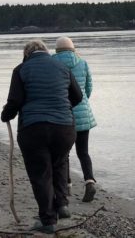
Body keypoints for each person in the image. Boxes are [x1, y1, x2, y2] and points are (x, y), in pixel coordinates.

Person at [1, 40, 82, 234]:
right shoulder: (62, 67)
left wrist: (6, 114)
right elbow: (78, 96)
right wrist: (61, 107)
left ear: (26, 54)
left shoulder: (21, 69)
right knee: (60, 163)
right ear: (45, 51)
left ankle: (48, 220)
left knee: (41, 173)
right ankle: (62, 205)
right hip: (64, 128)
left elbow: (16, 100)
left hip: (33, 129)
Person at [52, 36, 98, 203]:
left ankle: (67, 186)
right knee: (83, 152)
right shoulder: (82, 62)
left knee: (63, 153)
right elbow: (88, 87)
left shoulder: (52, 63)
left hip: (63, 114)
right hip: (83, 112)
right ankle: (89, 182)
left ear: (57, 50)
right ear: (73, 48)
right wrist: (83, 101)